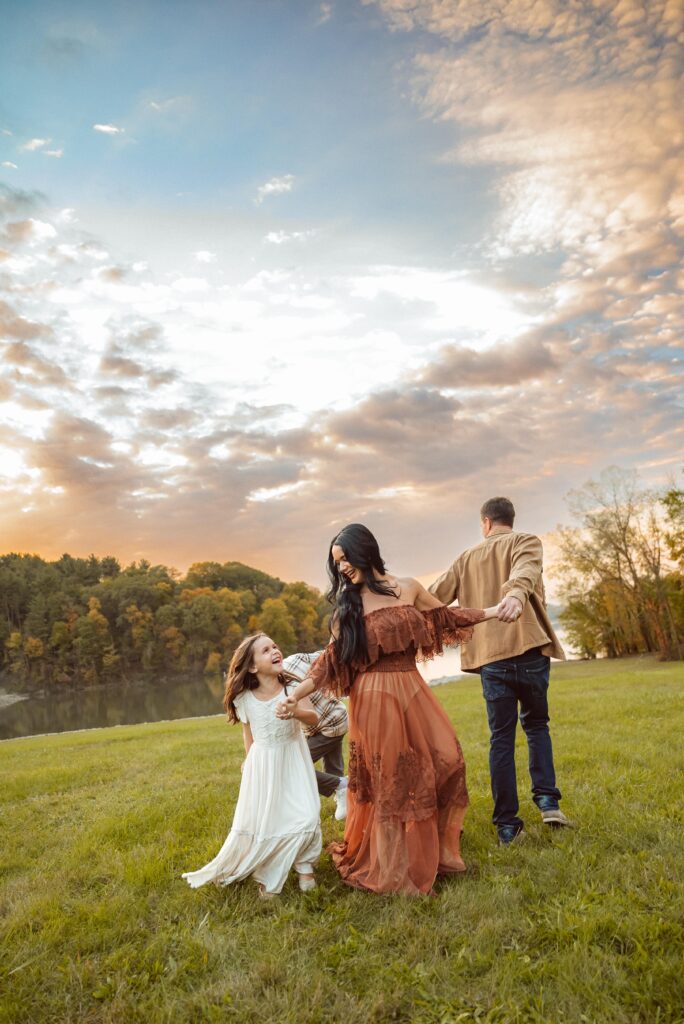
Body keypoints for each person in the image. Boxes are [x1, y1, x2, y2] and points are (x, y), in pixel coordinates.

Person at [278, 523, 499, 896]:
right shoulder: (347, 610)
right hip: (374, 697)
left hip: (412, 689)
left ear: (365, 550)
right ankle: (393, 868)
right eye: (337, 563)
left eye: (345, 558)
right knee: (391, 782)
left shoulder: (408, 587)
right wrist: (295, 695)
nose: (343, 567)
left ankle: (438, 852)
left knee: (447, 760)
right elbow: (327, 664)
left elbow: (447, 617)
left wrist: (494, 611)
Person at [429, 496, 571, 846]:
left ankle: (508, 825)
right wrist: (516, 594)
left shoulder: (466, 558)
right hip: (529, 648)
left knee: (501, 740)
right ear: (510, 519)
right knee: (537, 726)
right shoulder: (526, 541)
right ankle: (548, 802)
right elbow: (525, 570)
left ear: (485, 523)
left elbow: (432, 598)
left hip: (491, 659)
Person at [182, 633, 322, 899]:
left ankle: (305, 868)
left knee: (308, 813)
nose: (275, 650)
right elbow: (249, 734)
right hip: (263, 763)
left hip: (293, 758)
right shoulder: (245, 699)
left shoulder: (293, 688)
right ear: (253, 667)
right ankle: (269, 870)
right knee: (270, 820)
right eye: (266, 650)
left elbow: (313, 718)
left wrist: (296, 711)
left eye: (275, 645)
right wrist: (249, 761)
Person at [282, 651, 349, 820]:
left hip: (331, 722)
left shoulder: (293, 661)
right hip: (329, 722)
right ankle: (349, 798)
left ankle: (342, 787)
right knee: (333, 769)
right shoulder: (289, 666)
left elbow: (327, 656)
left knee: (294, 765)